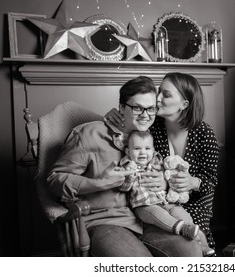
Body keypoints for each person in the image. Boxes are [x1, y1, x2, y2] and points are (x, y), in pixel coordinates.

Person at [47, 76, 202, 257]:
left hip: (148, 218)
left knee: (190, 251)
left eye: (151, 108)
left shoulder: (151, 138)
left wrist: (166, 183)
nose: (145, 115)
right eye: (137, 108)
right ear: (121, 108)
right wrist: (100, 182)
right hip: (105, 221)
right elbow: (55, 180)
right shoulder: (89, 133)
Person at [106, 72, 220, 251]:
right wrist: (114, 115)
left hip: (194, 202)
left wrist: (191, 182)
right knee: (171, 234)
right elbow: (131, 121)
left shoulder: (204, 133)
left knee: (195, 239)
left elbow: (211, 181)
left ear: (184, 104)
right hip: (156, 200)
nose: (157, 99)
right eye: (159, 92)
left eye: (165, 95)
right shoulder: (152, 125)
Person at [117, 130, 215, 256]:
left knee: (182, 214)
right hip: (145, 205)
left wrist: (168, 177)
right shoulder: (128, 166)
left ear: (153, 150)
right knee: (159, 214)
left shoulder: (156, 160)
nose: (142, 153)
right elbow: (123, 188)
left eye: (147, 148)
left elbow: (168, 173)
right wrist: (129, 177)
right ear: (128, 152)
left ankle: (202, 245)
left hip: (166, 201)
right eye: (137, 149)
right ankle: (181, 228)